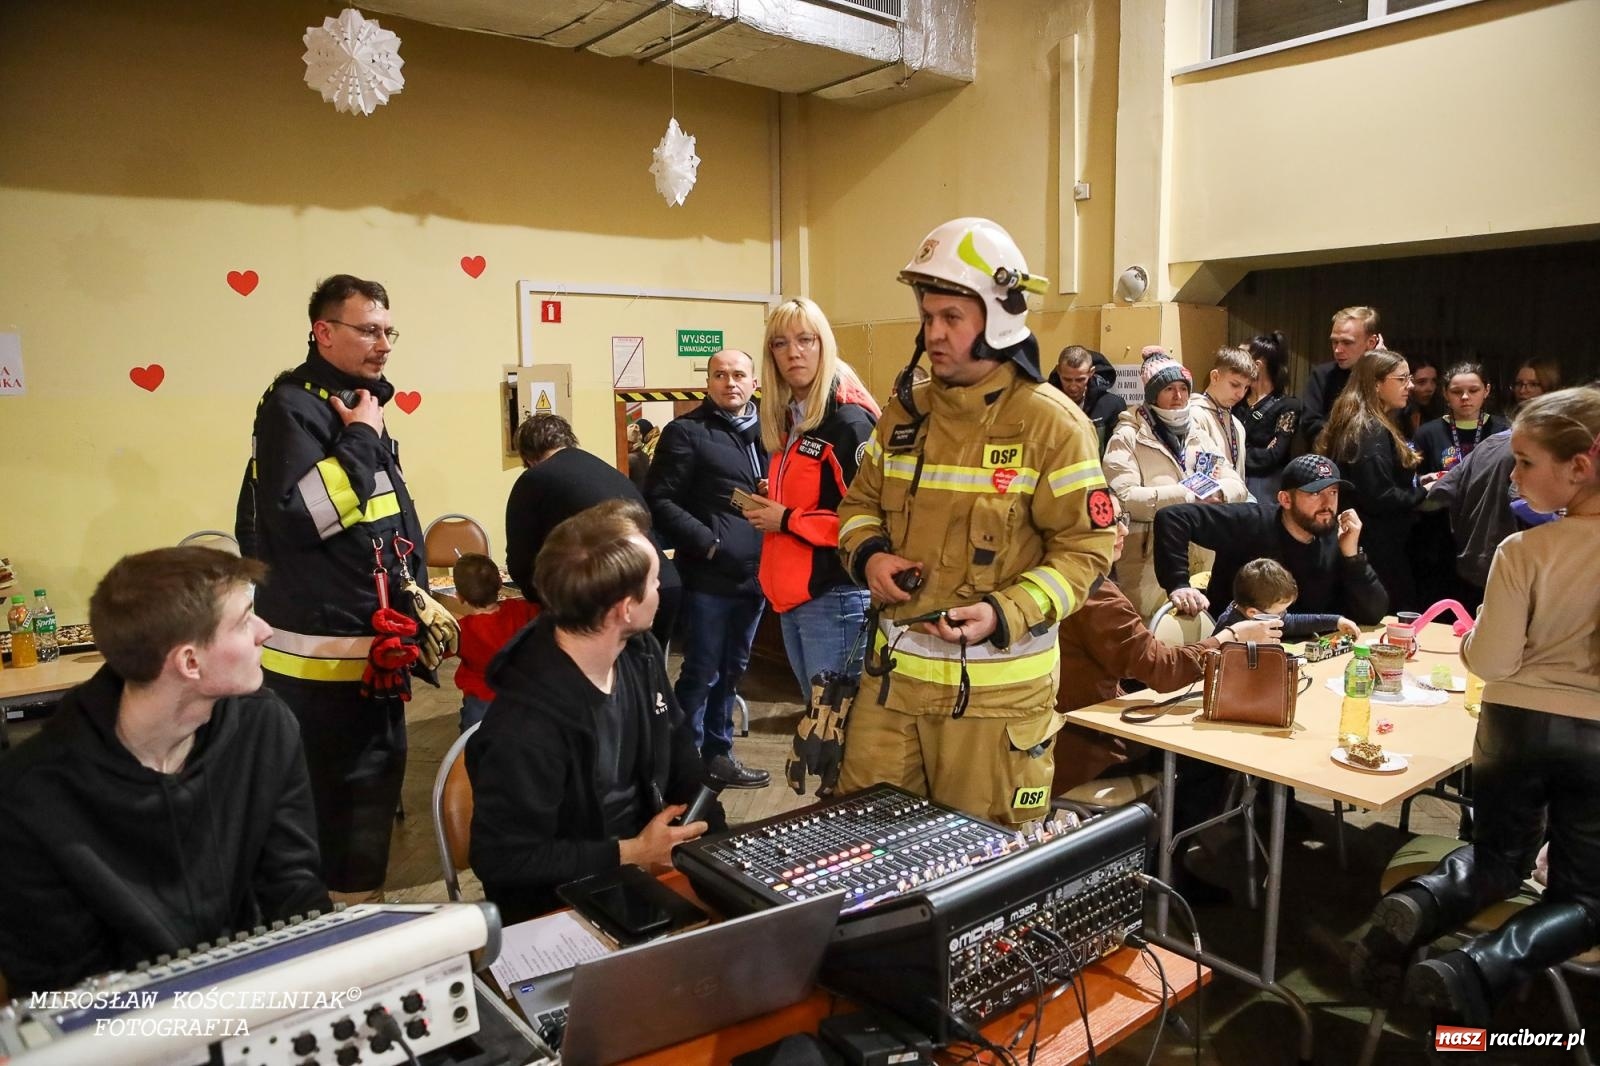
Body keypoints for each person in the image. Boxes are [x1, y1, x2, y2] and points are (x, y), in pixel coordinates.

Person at [835, 216, 1115, 826]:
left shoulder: (1053, 427)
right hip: (893, 690)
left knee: (984, 875)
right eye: (927, 317)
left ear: (998, 319)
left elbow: (1087, 553)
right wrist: (871, 557)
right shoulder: (903, 416)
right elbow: (855, 509)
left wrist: (1001, 612)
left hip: (996, 707)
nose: (933, 334)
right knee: (862, 853)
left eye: (951, 319)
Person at [1350, 387, 1600, 1025]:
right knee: (1586, 897)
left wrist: (1489, 631)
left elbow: (1487, 663)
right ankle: (1476, 968)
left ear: (1582, 464)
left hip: (1511, 724)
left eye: (1524, 462)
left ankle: (1426, 902)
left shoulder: (1523, 552)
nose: (1512, 475)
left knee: (1496, 857)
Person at [0, 547, 328, 995]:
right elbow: (66, 989)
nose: (264, 631)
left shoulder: (263, 728)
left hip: (258, 1003)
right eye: (244, 619)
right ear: (189, 662)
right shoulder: (31, 795)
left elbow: (295, 895)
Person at [236, 273, 427, 905]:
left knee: (370, 792)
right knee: (340, 806)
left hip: (366, 650)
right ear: (324, 332)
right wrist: (362, 438)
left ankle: (356, 914)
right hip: (323, 665)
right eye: (368, 330)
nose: (383, 344)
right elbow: (302, 517)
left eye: (387, 330)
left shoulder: (350, 401)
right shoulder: (295, 406)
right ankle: (335, 938)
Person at [467, 501, 719, 925]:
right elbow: (503, 859)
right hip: (561, 910)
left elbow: (680, 758)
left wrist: (719, 854)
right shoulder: (524, 728)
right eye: (655, 581)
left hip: (644, 878)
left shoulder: (640, 653)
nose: (662, 590)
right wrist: (633, 853)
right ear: (624, 608)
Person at [741, 298, 880, 700]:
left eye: (805, 340)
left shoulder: (849, 421)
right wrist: (778, 499)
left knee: (834, 730)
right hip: (793, 596)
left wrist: (787, 518)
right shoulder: (791, 416)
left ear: (824, 345)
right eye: (780, 344)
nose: (793, 352)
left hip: (835, 595)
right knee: (818, 727)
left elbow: (868, 522)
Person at [645, 350, 771, 788]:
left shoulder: (771, 433)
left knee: (734, 668)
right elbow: (660, 500)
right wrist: (709, 543)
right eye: (720, 375)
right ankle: (683, 762)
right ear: (708, 382)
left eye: (738, 374)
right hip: (711, 579)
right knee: (702, 671)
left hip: (758, 577)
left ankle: (719, 754)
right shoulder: (687, 432)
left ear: (754, 382)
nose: (729, 382)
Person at [505, 412, 680, 648]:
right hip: (660, 586)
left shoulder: (534, 479)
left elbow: (520, 561)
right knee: (644, 678)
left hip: (610, 598)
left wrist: (543, 599)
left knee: (599, 681)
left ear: (528, 457)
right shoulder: (603, 469)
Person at [1154, 454, 1390, 628]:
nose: (1327, 503)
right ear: (1285, 499)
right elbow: (1172, 517)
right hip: (1240, 649)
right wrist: (1179, 584)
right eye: (1316, 494)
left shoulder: (1335, 536)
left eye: (1334, 492)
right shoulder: (1251, 521)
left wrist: (1353, 557)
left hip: (1307, 647)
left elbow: (1374, 613)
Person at [1103, 348, 1249, 620]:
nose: (1178, 396)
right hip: (1148, 560)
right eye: (1169, 388)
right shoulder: (1127, 437)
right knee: (1153, 635)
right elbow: (1124, 498)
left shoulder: (1198, 434)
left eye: (1183, 388)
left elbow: (1235, 482)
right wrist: (1188, 497)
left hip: (1201, 553)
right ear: (1152, 394)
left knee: (1198, 632)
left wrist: (1219, 491)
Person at [1316, 349, 1425, 612]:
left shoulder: (1365, 421)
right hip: (1376, 547)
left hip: (1367, 542)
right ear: (1376, 384)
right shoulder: (1369, 429)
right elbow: (1379, 496)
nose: (1409, 385)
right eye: (1401, 379)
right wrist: (1423, 492)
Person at [1411, 362, 1500, 606]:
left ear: (1487, 391)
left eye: (1473, 390)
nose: (1465, 397)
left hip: (1485, 532)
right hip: (1438, 535)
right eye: (1456, 391)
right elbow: (1413, 482)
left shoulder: (1503, 431)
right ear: (1445, 393)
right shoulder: (1428, 433)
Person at [1419, 425, 1516, 612]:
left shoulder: (1489, 443)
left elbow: (1441, 492)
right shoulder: (1534, 451)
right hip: (1511, 566)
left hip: (1472, 559)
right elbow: (1524, 504)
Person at [450, 553, 539, 732]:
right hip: (522, 693)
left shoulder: (460, 630)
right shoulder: (522, 610)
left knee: (472, 740)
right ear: (500, 584)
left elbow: (437, 650)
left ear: (459, 596)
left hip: (480, 701)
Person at [1210, 558, 1360, 640]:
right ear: (1253, 613)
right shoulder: (1228, 628)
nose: (1284, 615)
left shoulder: (1262, 616)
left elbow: (1296, 623)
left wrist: (1336, 621)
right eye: (1280, 612)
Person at [1234, 331, 1302, 500]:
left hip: (1264, 488)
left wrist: (1238, 450)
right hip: (1232, 478)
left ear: (1257, 365)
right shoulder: (1235, 400)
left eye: (1240, 358)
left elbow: (1273, 456)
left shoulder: (1288, 406)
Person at [1301, 306, 1382, 447]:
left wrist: (1378, 367)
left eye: (1347, 342)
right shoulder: (1322, 375)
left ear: (1371, 343)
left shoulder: (1386, 376)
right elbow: (1310, 427)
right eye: (1334, 341)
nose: (1338, 350)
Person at [1189, 346, 1255, 492]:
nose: (1240, 394)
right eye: (1235, 384)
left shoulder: (1237, 425)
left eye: (1246, 388)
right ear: (1215, 377)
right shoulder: (1194, 415)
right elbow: (1202, 480)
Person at [1048, 345, 1126, 456]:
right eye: (1067, 379)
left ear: (1091, 372)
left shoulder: (1113, 406)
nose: (1073, 387)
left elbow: (1117, 456)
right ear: (1059, 371)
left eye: (1080, 380)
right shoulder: (1045, 404)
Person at [1400, 352, 1445, 437]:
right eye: (1421, 382)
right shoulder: (1395, 415)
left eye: (1434, 381)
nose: (1430, 388)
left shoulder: (1438, 413)